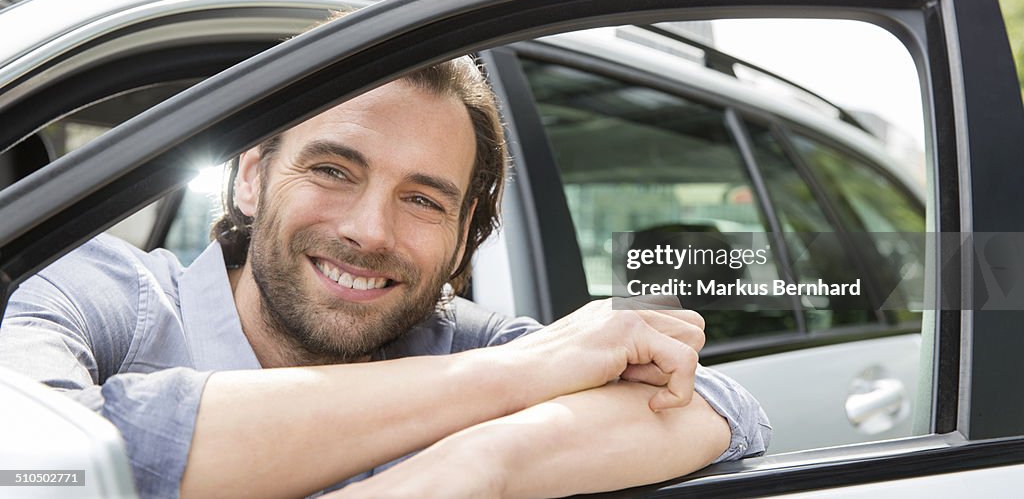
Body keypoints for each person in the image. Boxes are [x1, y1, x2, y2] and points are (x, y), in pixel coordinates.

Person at [0, 56, 770, 498]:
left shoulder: (460, 339)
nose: (369, 230)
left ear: (464, 235)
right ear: (250, 177)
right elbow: (49, 464)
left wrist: (480, 463)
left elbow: (723, 405)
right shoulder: (97, 293)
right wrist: (511, 379)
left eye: (422, 198)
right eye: (334, 169)